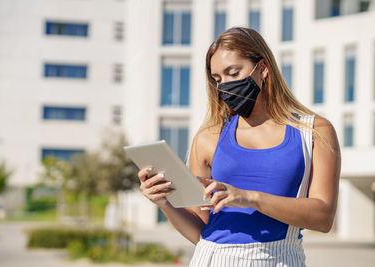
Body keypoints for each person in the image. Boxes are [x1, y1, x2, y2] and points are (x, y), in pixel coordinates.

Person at [137, 27, 341, 266]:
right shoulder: (208, 138)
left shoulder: (314, 132)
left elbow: (323, 217)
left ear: (263, 69)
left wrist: (247, 197)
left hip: (281, 259)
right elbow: (201, 230)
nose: (224, 86)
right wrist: (165, 204)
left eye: (233, 73)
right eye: (217, 80)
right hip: (213, 258)